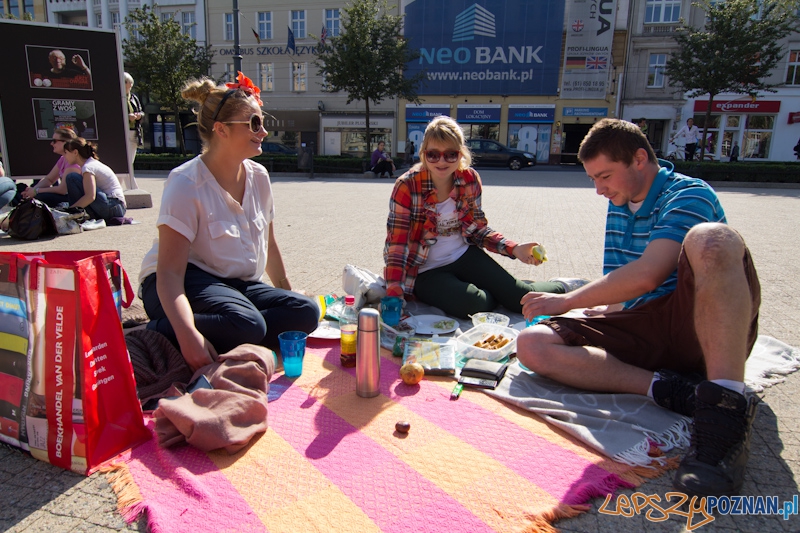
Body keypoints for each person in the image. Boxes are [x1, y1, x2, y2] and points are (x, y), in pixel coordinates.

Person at [516, 118, 761, 498]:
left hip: (695, 323)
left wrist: (566, 300)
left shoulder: (688, 194)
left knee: (711, 238)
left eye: (605, 176)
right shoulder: (620, 202)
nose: (598, 189)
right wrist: (594, 319)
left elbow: (647, 276)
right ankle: (670, 390)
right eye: (593, 179)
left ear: (640, 159)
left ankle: (725, 412)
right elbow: (622, 283)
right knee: (532, 343)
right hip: (648, 327)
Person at [138, 72, 318, 371]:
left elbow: (269, 245)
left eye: (263, 122)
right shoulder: (186, 183)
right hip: (181, 282)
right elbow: (169, 273)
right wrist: (188, 336)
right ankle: (159, 328)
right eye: (254, 123)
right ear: (221, 130)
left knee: (305, 313)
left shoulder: (259, 177)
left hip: (233, 285)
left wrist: (287, 292)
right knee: (247, 325)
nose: (263, 132)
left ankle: (237, 328)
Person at [383, 115, 572, 319]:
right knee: (472, 304)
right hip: (425, 270)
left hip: (465, 255)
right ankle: (499, 293)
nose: (441, 161)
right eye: (433, 154)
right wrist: (394, 295)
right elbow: (397, 246)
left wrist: (514, 248)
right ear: (423, 154)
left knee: (523, 300)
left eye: (450, 154)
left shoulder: (469, 179)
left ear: (461, 153)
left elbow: (478, 230)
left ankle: (566, 287)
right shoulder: (407, 186)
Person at [62, 138, 127, 221]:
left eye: (66, 153)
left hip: (113, 206)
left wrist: (70, 211)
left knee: (72, 178)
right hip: (116, 207)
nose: (64, 156)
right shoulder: (90, 164)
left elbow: (90, 196)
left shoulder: (88, 167)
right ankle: (79, 213)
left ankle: (75, 215)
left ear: (75, 152)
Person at [19, 127, 79, 207]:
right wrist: (32, 190)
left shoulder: (73, 161)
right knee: (21, 189)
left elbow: (62, 190)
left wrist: (37, 191)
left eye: (54, 141)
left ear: (66, 142)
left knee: (40, 197)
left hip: (74, 199)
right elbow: (49, 179)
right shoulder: (63, 158)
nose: (51, 143)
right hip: (66, 196)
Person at [124, 73, 144, 173]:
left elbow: (142, 112)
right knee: (126, 162)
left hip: (134, 131)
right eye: (128, 82)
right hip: (123, 132)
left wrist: (140, 115)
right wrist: (127, 117)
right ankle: (131, 186)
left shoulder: (134, 98)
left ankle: (127, 185)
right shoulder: (118, 98)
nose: (131, 85)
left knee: (130, 161)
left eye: (131, 82)